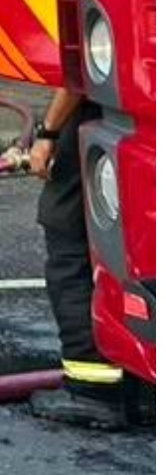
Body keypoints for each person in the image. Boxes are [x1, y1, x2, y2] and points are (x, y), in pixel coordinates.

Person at [23, 82, 141, 428]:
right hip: (140, 121)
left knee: (70, 244)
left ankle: (92, 389)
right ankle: (139, 381)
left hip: (102, 119)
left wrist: (49, 133)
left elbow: (78, 73)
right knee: (135, 251)